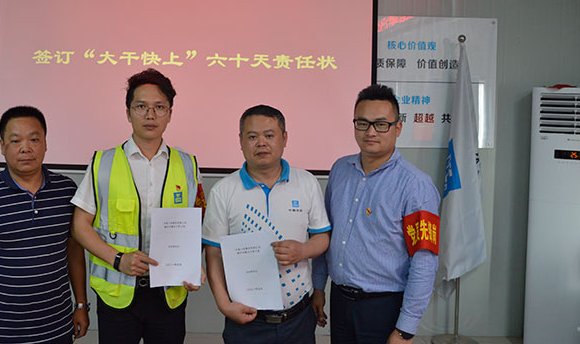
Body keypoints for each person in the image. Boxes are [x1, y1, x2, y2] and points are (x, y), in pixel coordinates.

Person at [71, 68, 205, 344]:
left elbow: (195, 223)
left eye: (159, 107)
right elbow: (80, 225)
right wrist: (118, 259)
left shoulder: (188, 165)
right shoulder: (102, 163)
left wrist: (192, 265)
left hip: (168, 294)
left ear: (170, 113)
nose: (150, 115)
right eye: (141, 107)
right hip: (117, 295)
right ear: (128, 112)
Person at [312, 84, 441, 344]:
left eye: (381, 124)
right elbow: (325, 232)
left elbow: (424, 260)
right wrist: (318, 286)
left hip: (384, 307)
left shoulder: (416, 185)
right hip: (340, 301)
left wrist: (405, 329)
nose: (370, 132)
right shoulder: (340, 170)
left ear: (398, 128)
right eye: (363, 123)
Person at [0, 106, 89, 344]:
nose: (26, 148)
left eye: (34, 139)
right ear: (2, 146)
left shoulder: (66, 190)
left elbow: (74, 251)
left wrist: (81, 304)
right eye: (15, 141)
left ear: (45, 143)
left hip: (57, 326)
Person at [203, 104, 331, 344]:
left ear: (284, 138)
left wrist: (303, 250)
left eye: (269, 135)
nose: (261, 143)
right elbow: (214, 254)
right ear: (241, 141)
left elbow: (322, 237)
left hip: (298, 317)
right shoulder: (223, 190)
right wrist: (224, 305)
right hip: (246, 319)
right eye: (252, 137)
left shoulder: (306, 182)